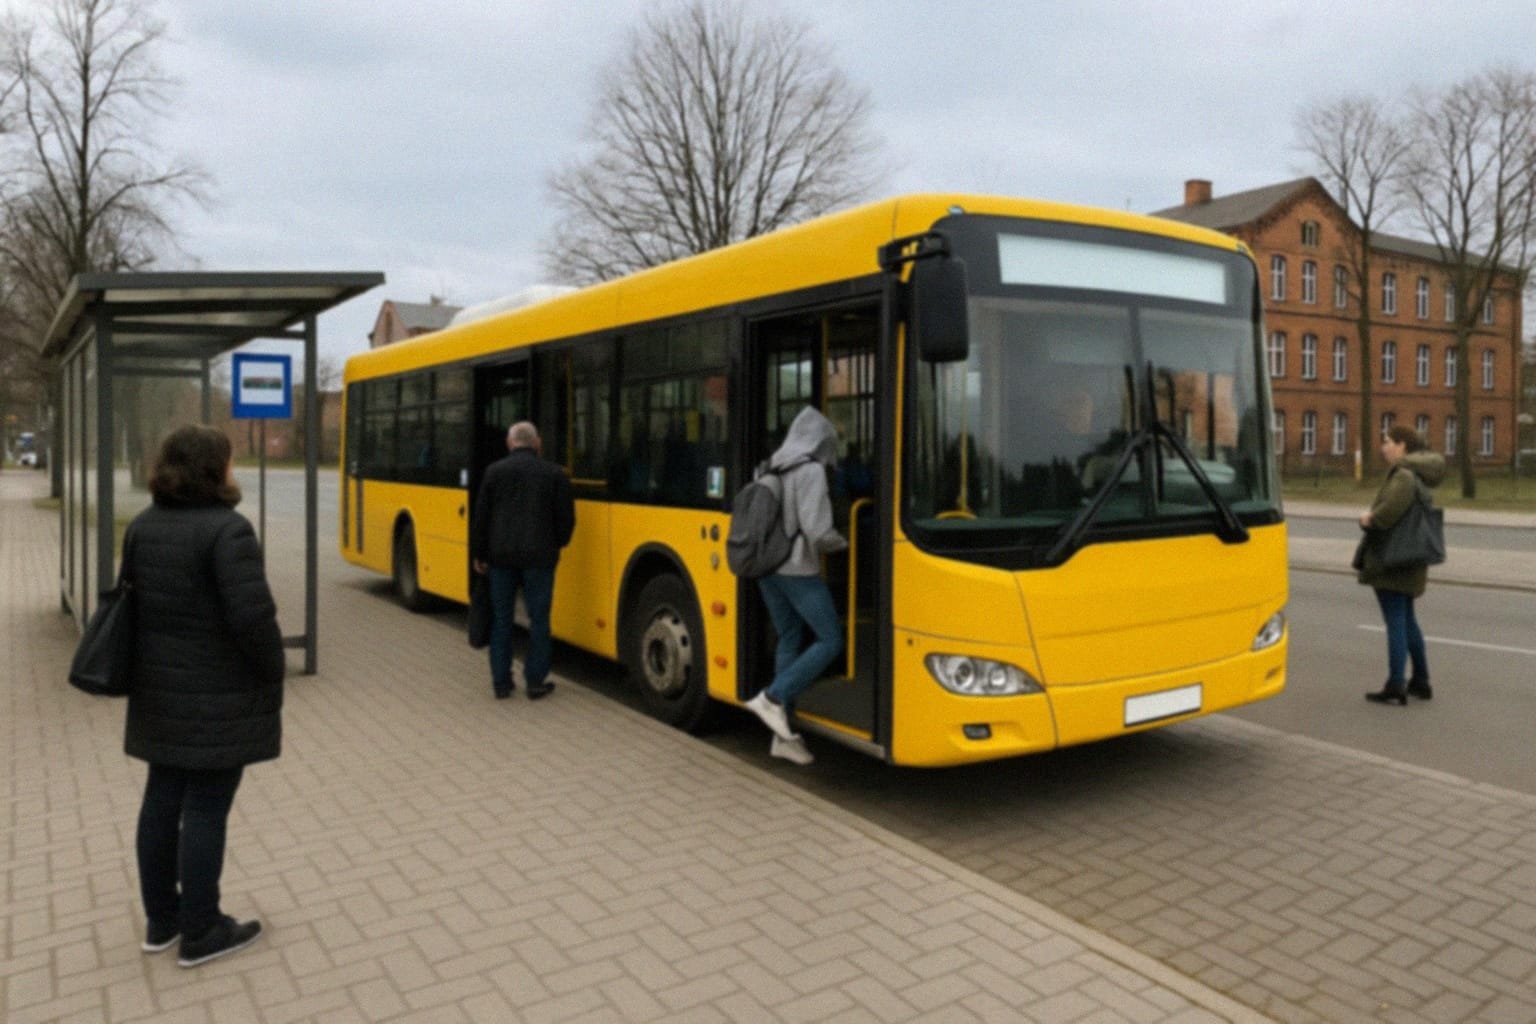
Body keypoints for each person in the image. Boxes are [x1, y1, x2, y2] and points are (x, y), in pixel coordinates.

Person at [125, 425, 285, 968]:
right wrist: (272, 670)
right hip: (218, 696)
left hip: (160, 690)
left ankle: (161, 920)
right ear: (214, 468)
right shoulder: (228, 530)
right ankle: (202, 929)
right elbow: (252, 617)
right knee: (206, 809)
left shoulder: (143, 526)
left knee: (161, 799)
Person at [743, 406, 848, 766]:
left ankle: (781, 736)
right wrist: (844, 543)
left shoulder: (768, 466)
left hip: (766, 568)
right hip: (796, 568)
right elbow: (818, 531)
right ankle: (773, 698)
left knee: (789, 637)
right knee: (831, 639)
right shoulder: (811, 471)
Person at [471, 421, 576, 700]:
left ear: (510, 443)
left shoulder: (494, 472)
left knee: (502, 620)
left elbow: (481, 517)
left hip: (500, 559)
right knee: (539, 619)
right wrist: (557, 543)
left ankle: (501, 683)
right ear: (537, 443)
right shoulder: (554, 474)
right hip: (540, 558)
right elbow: (566, 518)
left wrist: (479, 554)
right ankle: (535, 681)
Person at [1356, 425, 1446, 706]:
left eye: (1388, 442)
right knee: (1407, 621)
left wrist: (1368, 518)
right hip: (1408, 559)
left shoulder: (1404, 476)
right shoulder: (1415, 474)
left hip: (1394, 560)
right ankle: (1420, 680)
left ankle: (1396, 684)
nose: (1384, 447)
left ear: (1403, 446)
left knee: (1396, 622)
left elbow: (1387, 515)